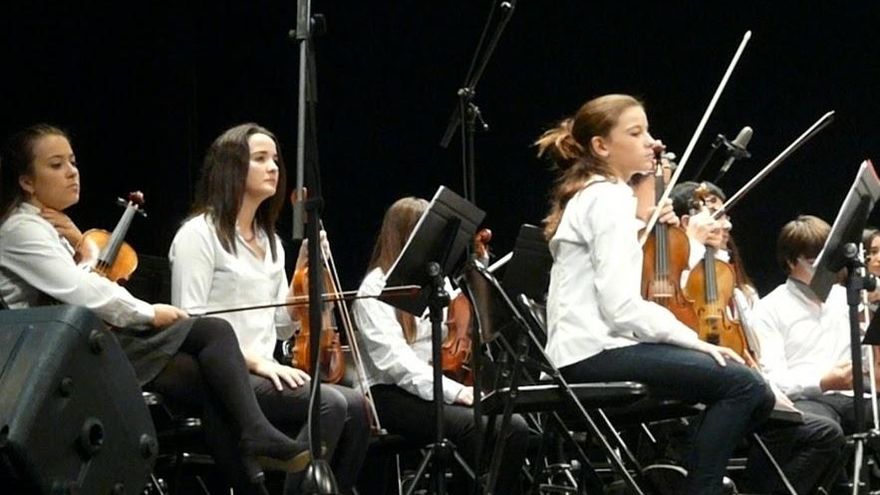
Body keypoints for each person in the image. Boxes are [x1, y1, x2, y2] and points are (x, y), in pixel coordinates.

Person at [0, 124, 309, 490]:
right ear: (27, 182)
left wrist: (80, 248)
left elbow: (79, 280)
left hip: (82, 349)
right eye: (56, 165)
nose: (72, 172)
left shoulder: (51, 227)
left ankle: (251, 464)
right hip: (59, 363)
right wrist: (148, 312)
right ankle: (256, 434)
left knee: (212, 380)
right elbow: (80, 290)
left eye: (73, 161)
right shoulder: (22, 229)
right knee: (213, 331)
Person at [536, 94, 774, 494]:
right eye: (636, 132)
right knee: (744, 386)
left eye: (647, 130)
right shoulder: (607, 199)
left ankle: (680, 474)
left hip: (599, 348)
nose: (650, 141)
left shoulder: (605, 197)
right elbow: (620, 308)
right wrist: (695, 341)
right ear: (601, 146)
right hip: (592, 353)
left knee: (756, 394)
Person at [168, 123, 369, 495]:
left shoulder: (271, 242)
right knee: (330, 405)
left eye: (275, 159)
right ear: (230, 168)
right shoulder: (198, 235)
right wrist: (257, 363)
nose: (273, 167)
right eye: (260, 159)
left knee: (357, 407)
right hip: (225, 377)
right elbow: (189, 324)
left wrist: (304, 275)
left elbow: (279, 326)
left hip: (268, 370)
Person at [670, 183, 844, 494]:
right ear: (687, 223)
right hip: (713, 390)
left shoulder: (732, 285)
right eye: (716, 215)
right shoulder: (676, 276)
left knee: (819, 432)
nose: (727, 223)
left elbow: (749, 352)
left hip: (749, 388)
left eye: (726, 215)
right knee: (821, 432)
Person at [352, 196, 530, 494]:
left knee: (515, 425)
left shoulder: (439, 282)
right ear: (407, 237)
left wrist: (479, 272)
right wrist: (457, 392)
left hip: (435, 383)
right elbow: (396, 364)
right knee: (476, 428)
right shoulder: (373, 289)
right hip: (388, 395)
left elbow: (463, 326)